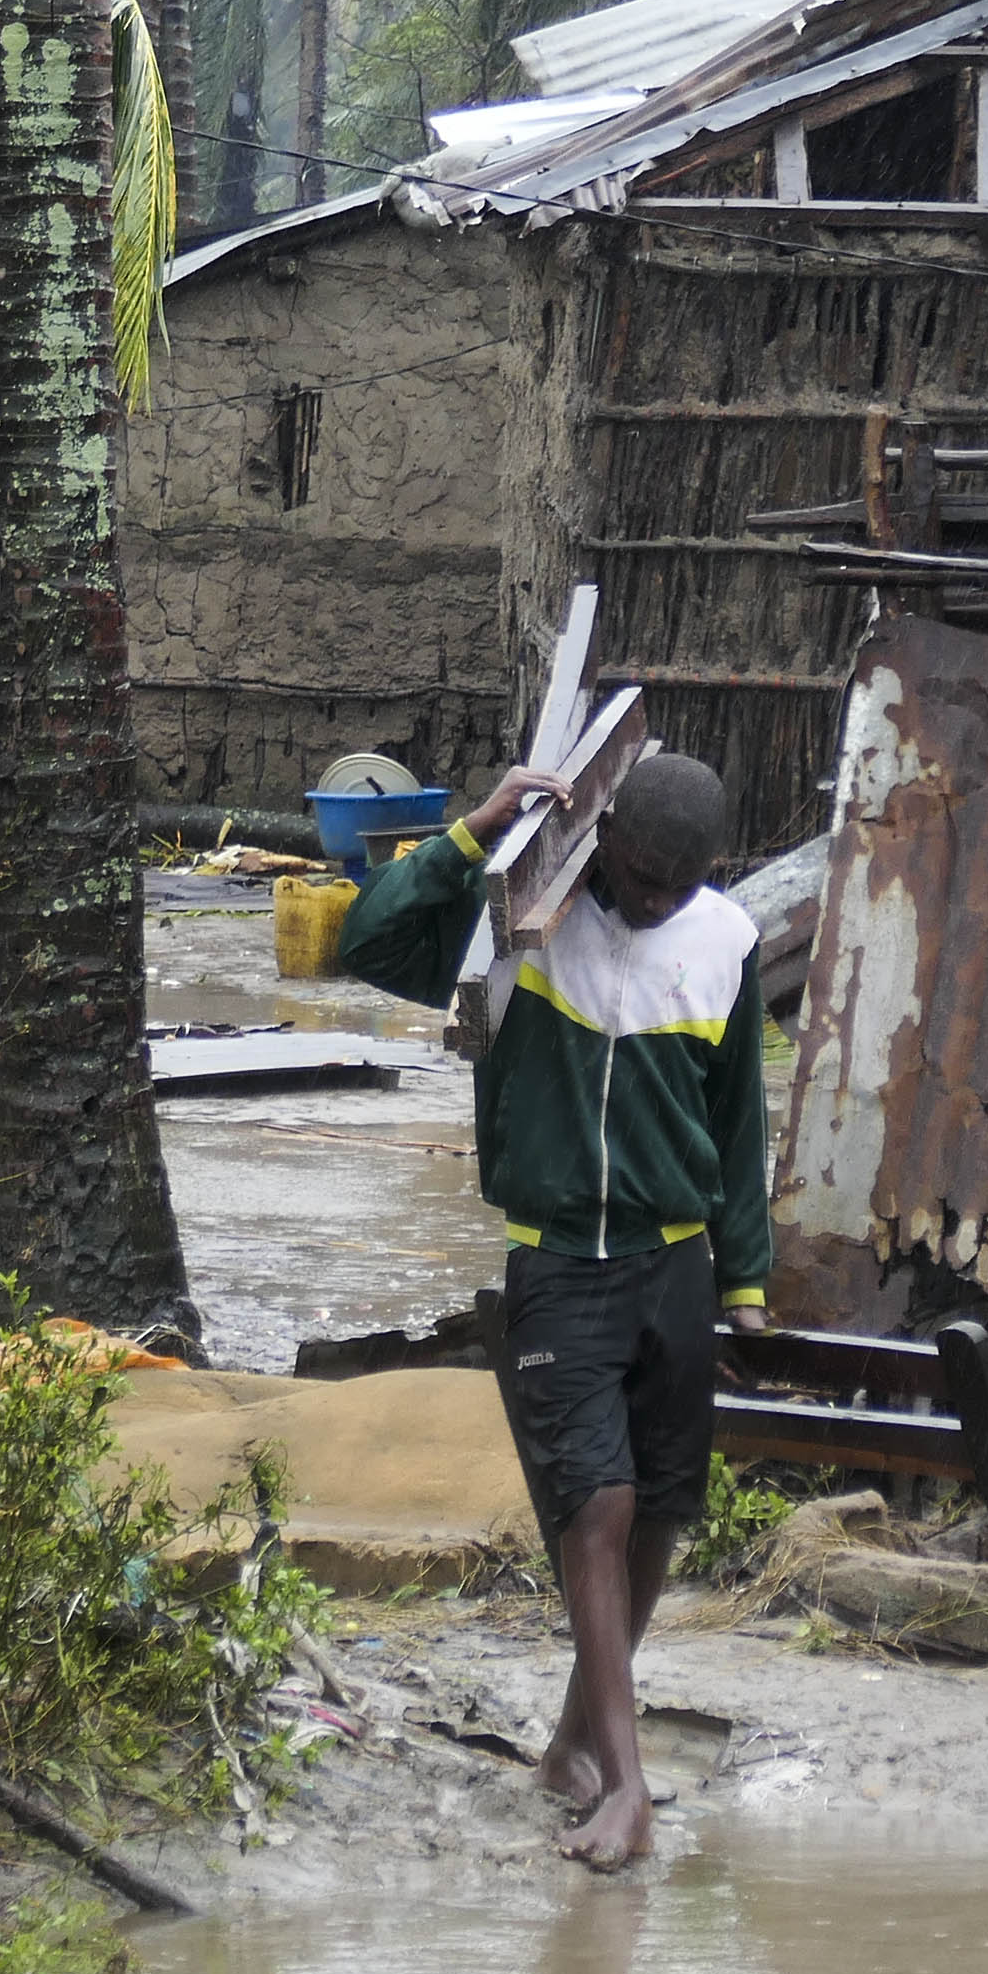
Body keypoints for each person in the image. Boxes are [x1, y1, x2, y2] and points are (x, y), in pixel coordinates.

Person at [338, 748, 767, 1870]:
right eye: (637, 872)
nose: (651, 899)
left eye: (677, 885)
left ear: (708, 874)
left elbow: (740, 1123)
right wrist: (474, 834)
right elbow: (368, 939)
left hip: (675, 1265)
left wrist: (747, 1285)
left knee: (663, 1510)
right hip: (560, 1262)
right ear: (604, 833)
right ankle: (628, 1787)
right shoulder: (522, 920)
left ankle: (577, 1746)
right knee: (599, 1507)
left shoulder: (726, 942)